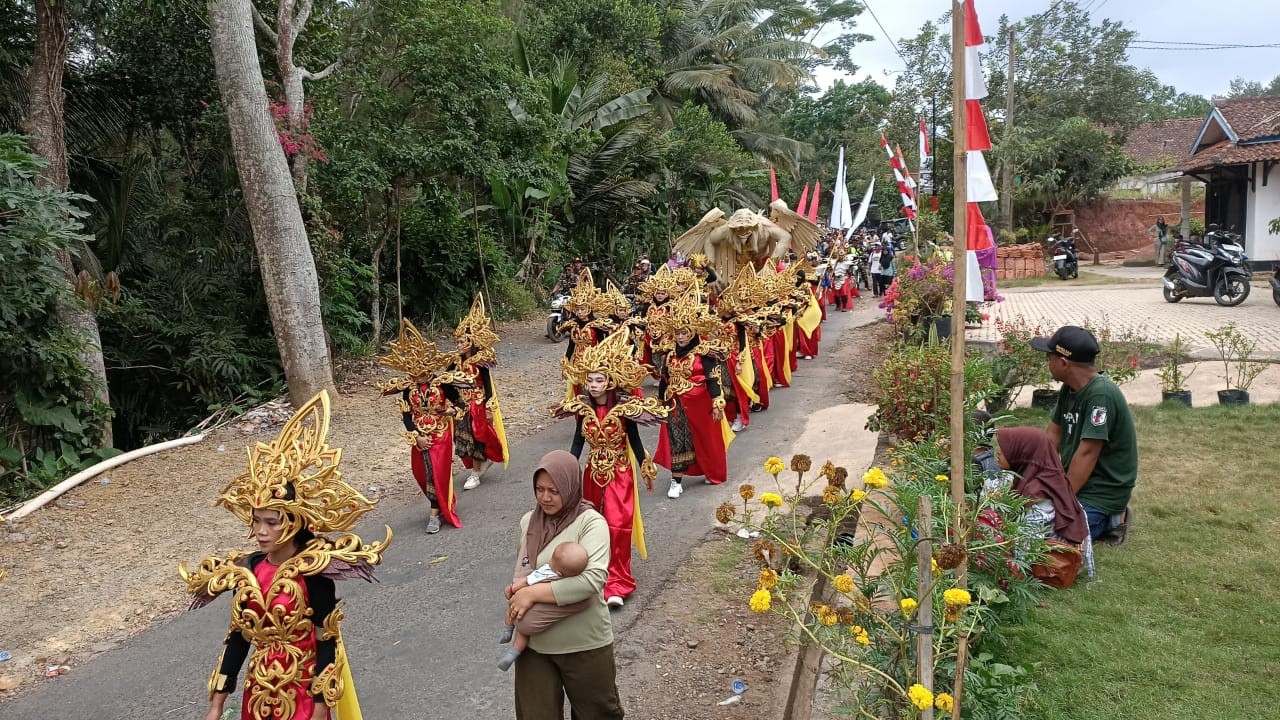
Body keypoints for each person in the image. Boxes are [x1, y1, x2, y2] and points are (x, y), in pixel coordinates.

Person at [183, 390, 391, 720]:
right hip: (258, 694)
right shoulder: (246, 571)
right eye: (257, 521)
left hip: (304, 693)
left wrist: (322, 705)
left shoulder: (314, 569)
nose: (262, 531)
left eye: (271, 522)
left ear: (293, 522)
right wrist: (217, 704)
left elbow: (327, 639)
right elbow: (237, 639)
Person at [552, 330, 666, 607]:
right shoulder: (582, 408)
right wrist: (566, 470)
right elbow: (578, 442)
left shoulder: (625, 409)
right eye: (589, 380)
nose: (593, 385)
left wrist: (644, 465)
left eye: (599, 379)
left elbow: (635, 440)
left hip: (619, 473)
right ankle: (594, 576)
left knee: (617, 526)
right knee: (591, 525)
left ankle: (618, 582)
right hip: (592, 473)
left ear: (610, 381)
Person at [508, 450, 623, 720]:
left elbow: (592, 580)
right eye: (539, 489)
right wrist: (516, 596)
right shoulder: (528, 522)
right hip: (535, 646)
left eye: (554, 491)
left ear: (571, 487)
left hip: (583, 644)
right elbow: (525, 570)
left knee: (597, 714)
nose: (545, 498)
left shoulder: (591, 523)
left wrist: (533, 593)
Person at [1032, 326, 1139, 544]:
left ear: (1063, 362)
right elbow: (1051, 439)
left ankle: (1113, 518)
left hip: (1100, 492)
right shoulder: (1069, 388)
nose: (1047, 363)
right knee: (1025, 520)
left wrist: (1062, 500)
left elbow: (1087, 453)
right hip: (1079, 485)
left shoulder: (1101, 395)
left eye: (1049, 357)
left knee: (1049, 538)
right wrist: (1031, 479)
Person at [377, 319, 469, 533]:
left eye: (420, 371)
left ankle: (435, 513)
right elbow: (406, 414)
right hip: (419, 434)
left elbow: (461, 404)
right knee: (420, 472)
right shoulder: (408, 388)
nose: (416, 375)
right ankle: (441, 499)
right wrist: (416, 436)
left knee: (437, 472)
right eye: (413, 372)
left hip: (441, 433)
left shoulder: (443, 383)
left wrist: (450, 411)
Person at [654, 293, 734, 499]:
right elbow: (665, 378)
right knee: (677, 440)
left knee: (707, 440)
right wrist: (660, 401)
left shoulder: (704, 352)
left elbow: (712, 378)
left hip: (701, 404)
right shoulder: (670, 354)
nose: (680, 336)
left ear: (693, 331)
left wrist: (717, 403)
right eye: (677, 332)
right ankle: (676, 480)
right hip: (676, 403)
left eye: (684, 332)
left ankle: (712, 470)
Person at [498, 541, 589, 671]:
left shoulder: (546, 572)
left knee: (511, 612)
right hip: (543, 613)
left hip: (526, 604)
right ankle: (513, 653)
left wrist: (511, 589)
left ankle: (507, 630)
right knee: (523, 634)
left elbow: (526, 581)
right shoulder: (568, 580)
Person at [452, 294, 509, 491]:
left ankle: (475, 473)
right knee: (460, 439)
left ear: (471, 341)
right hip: (461, 405)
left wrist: (489, 406)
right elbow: (447, 381)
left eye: (461, 342)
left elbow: (487, 384)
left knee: (476, 436)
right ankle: (480, 463)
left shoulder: (480, 361)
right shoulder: (454, 361)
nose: (458, 345)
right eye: (457, 342)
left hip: (477, 403)